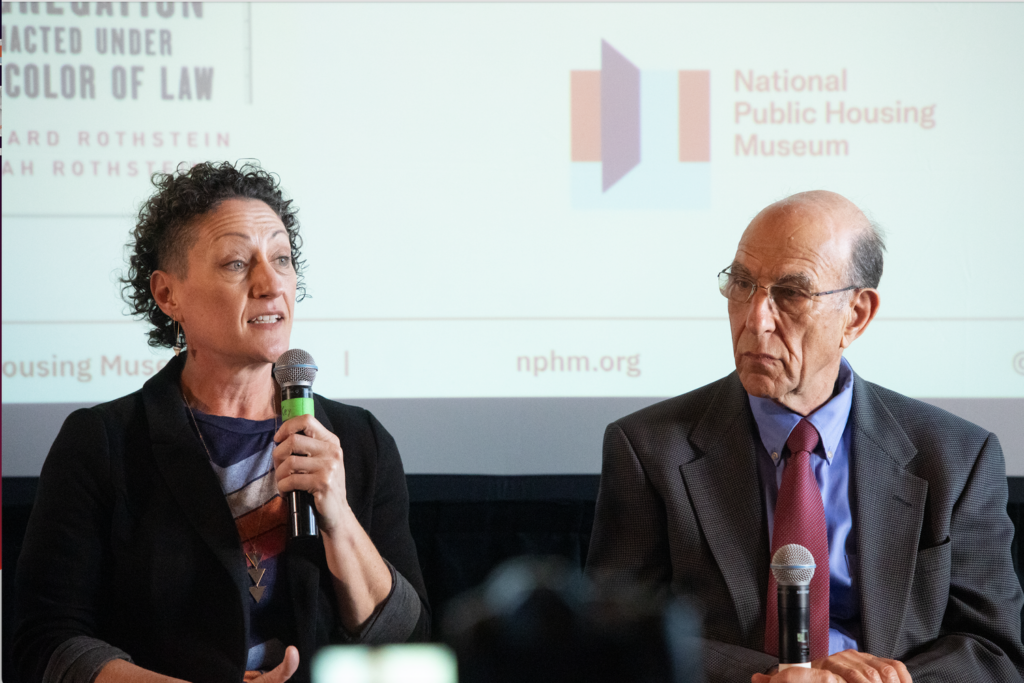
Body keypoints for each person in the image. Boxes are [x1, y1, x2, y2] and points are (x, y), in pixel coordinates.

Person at [13, 162, 430, 683]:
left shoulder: (359, 441)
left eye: (282, 259)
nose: (269, 283)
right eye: (237, 263)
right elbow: (46, 645)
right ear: (169, 296)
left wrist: (338, 517)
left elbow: (409, 645)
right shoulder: (103, 444)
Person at [585, 191, 1024, 683]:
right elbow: (611, 642)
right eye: (741, 284)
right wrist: (775, 677)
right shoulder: (648, 449)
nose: (755, 319)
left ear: (856, 316)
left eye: (790, 294)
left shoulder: (957, 457)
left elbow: (995, 651)